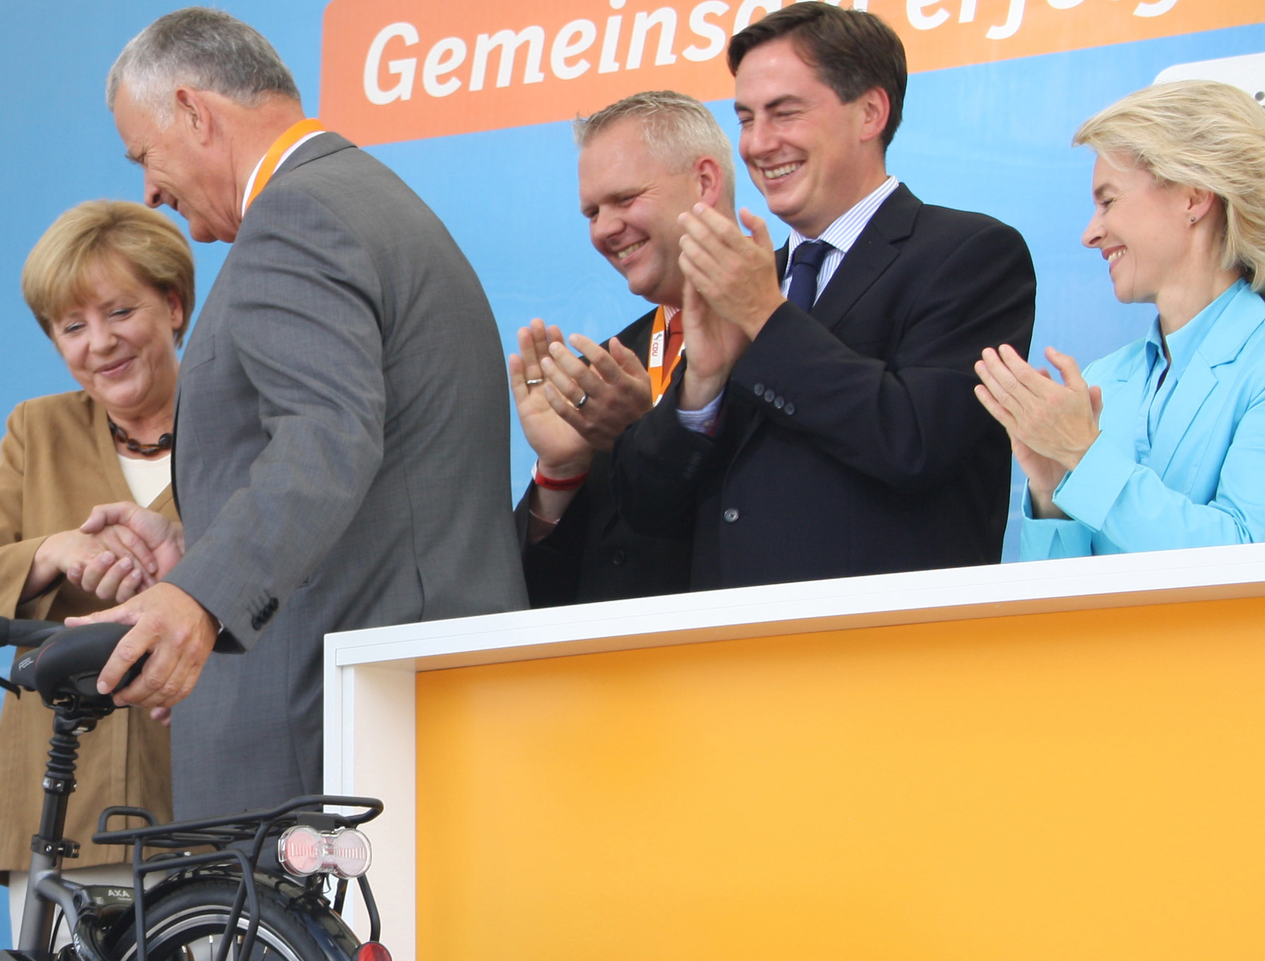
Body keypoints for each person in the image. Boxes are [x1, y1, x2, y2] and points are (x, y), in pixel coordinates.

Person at [75, 8, 525, 822]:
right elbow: (383, 468)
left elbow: (326, 439)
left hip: (331, 736)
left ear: (195, 113)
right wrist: (195, 545)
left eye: (144, 153)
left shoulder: (297, 217)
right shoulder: (370, 199)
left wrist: (197, 602)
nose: (147, 188)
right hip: (397, 707)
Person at [612, 3, 1036, 589]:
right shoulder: (752, 280)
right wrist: (702, 387)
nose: (759, 144)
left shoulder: (970, 254)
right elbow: (648, 512)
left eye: (784, 113)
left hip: (890, 653)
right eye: (746, 118)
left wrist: (767, 317)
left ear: (869, 112)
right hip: (733, 656)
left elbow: (915, 442)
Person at [0, 201, 186, 937]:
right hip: (58, 808)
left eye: (119, 311)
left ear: (173, 305)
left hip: (211, 801)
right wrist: (53, 551)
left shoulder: (243, 418)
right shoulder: (35, 430)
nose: (99, 343)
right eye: (72, 326)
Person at [975, 80, 1265, 559]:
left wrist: (1083, 459)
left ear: (1193, 197)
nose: (1090, 234)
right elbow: (1058, 616)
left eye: (1108, 201)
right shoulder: (1102, 381)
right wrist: (1051, 498)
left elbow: (1248, 557)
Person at [510, 91, 730, 607]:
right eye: (592, 211)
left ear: (704, 182)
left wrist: (644, 434)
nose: (604, 229)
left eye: (625, 199)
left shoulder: (792, 326)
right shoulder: (599, 378)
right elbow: (534, 600)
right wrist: (561, 473)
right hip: (609, 679)